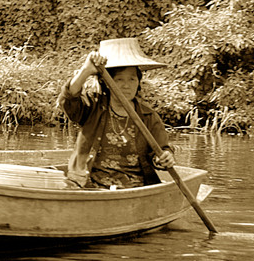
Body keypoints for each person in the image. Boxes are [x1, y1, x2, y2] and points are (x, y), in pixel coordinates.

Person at [58, 38, 175, 189]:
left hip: (133, 187)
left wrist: (164, 158)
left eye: (132, 79)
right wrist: (86, 71)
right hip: (86, 183)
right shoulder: (93, 106)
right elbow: (68, 99)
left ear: (138, 82)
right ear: (108, 83)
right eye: (119, 79)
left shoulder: (148, 116)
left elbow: (161, 151)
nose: (126, 85)